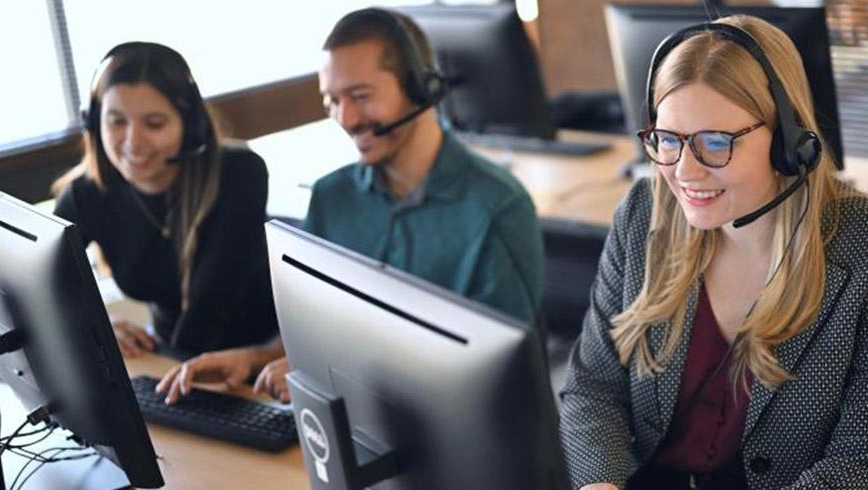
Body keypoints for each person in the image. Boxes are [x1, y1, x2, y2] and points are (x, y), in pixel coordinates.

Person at [559, 15, 868, 490]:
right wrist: (598, 486)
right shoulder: (644, 216)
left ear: (788, 141)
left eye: (715, 141)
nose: (684, 170)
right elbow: (594, 387)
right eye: (667, 138)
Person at [156, 8, 545, 404]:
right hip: (345, 431)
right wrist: (258, 358)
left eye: (361, 96)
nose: (346, 118)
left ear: (420, 88)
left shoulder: (497, 207)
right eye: (332, 101)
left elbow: (497, 376)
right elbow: (314, 328)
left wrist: (340, 377)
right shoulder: (331, 197)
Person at [53, 42, 278, 363]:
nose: (132, 142)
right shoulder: (86, 194)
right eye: (116, 121)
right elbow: (39, 288)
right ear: (94, 123)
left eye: (154, 124)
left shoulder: (239, 173)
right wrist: (94, 329)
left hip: (262, 359)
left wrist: (170, 373)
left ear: (190, 127)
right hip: (172, 359)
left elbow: (209, 308)